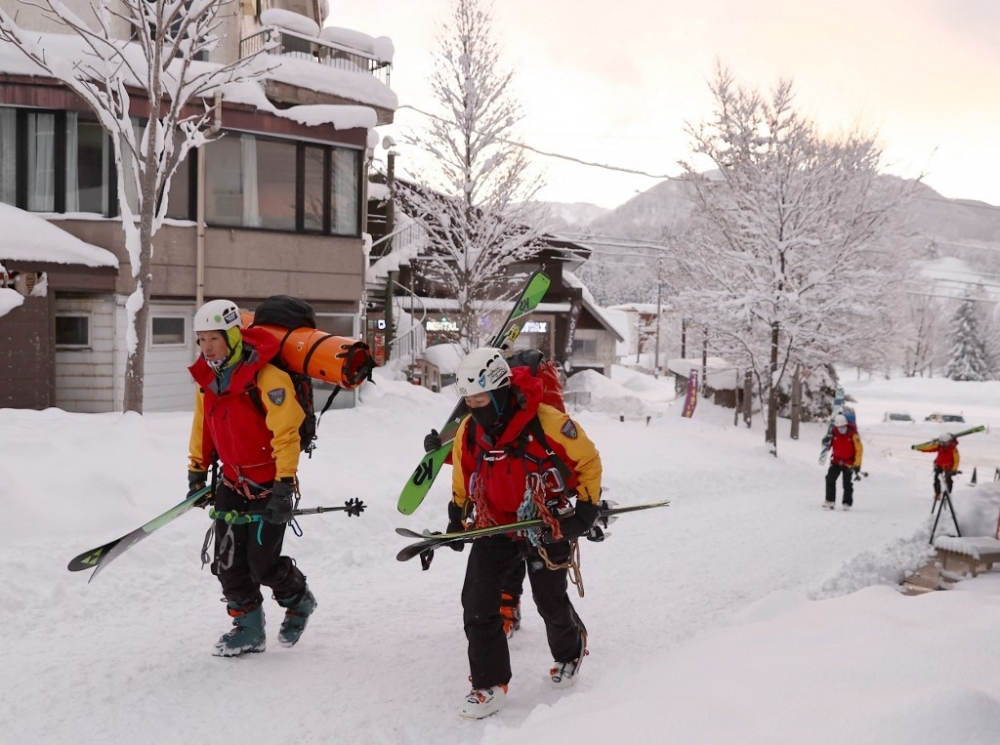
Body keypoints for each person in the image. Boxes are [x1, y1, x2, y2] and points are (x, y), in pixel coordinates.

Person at [445, 348, 602, 719]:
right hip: (495, 523)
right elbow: (463, 471)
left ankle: (569, 650)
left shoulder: (546, 421)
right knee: (477, 603)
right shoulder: (470, 429)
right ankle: (488, 684)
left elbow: (588, 459)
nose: (474, 406)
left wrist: (587, 508)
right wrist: (457, 510)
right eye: (468, 399)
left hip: (545, 522)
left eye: (480, 398)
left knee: (549, 601)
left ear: (500, 392)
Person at [187, 299, 317, 657]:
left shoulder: (267, 377)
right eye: (200, 340)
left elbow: (286, 434)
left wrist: (284, 487)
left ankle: (298, 600)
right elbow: (204, 426)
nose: (206, 347)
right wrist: (197, 470)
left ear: (231, 336)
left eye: (213, 339)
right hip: (230, 482)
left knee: (262, 564)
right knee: (226, 563)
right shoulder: (209, 379)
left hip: (268, 485)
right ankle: (248, 627)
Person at [824, 413, 863, 511]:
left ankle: (847, 502)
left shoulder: (853, 435)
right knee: (830, 479)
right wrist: (825, 441)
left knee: (847, 483)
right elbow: (828, 447)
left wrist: (857, 465)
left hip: (849, 463)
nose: (841, 429)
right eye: (839, 427)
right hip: (836, 461)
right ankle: (830, 500)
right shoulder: (834, 434)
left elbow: (859, 450)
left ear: (846, 425)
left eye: (843, 427)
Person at [920, 433, 960, 504]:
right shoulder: (939, 447)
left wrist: (954, 469)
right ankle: (937, 493)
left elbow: (957, 460)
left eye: (945, 443)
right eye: (942, 443)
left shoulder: (953, 449)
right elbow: (929, 448)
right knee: (937, 479)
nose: (944, 445)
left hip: (948, 467)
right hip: (939, 465)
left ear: (949, 442)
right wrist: (919, 448)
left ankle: (948, 494)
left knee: (948, 481)